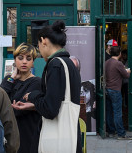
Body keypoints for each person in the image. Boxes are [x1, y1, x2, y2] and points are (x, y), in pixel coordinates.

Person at [12, 20, 82, 153]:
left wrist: (33, 96)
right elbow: (58, 101)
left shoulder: (55, 65)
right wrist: (34, 106)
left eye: (38, 45)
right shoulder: (69, 64)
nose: (39, 50)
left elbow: (50, 109)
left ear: (43, 41)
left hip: (56, 140)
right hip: (70, 135)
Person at [0, 43, 41, 153]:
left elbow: (18, 109)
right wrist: (12, 78)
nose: (24, 62)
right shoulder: (9, 79)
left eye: (28, 59)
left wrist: (4, 109)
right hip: (8, 132)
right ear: (14, 60)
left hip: (26, 132)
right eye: (20, 58)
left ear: (32, 63)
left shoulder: (36, 82)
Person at [105, 45, 132, 140]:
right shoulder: (118, 63)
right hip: (115, 90)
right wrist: (128, 71)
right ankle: (121, 134)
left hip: (107, 89)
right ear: (119, 54)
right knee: (117, 112)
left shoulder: (107, 62)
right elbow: (126, 75)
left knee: (109, 112)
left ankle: (111, 131)